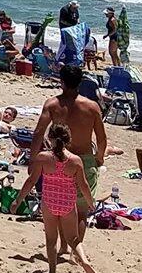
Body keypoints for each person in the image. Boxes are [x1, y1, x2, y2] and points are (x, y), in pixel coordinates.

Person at [23, 121, 100, 273]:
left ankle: (52, 271)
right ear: (68, 140)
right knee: (73, 238)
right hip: (67, 203)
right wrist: (90, 203)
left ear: (50, 138)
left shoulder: (43, 157)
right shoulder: (75, 160)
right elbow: (84, 185)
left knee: (51, 238)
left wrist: (18, 199)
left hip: (49, 202)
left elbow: (31, 181)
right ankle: (84, 262)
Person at [38, 64, 108, 202]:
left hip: (59, 158)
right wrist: (99, 158)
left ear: (61, 81)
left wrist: (35, 159)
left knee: (58, 206)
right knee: (81, 211)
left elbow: (38, 133)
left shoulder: (52, 105)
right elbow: (101, 138)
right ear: (80, 82)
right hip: (84, 160)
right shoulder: (92, 107)